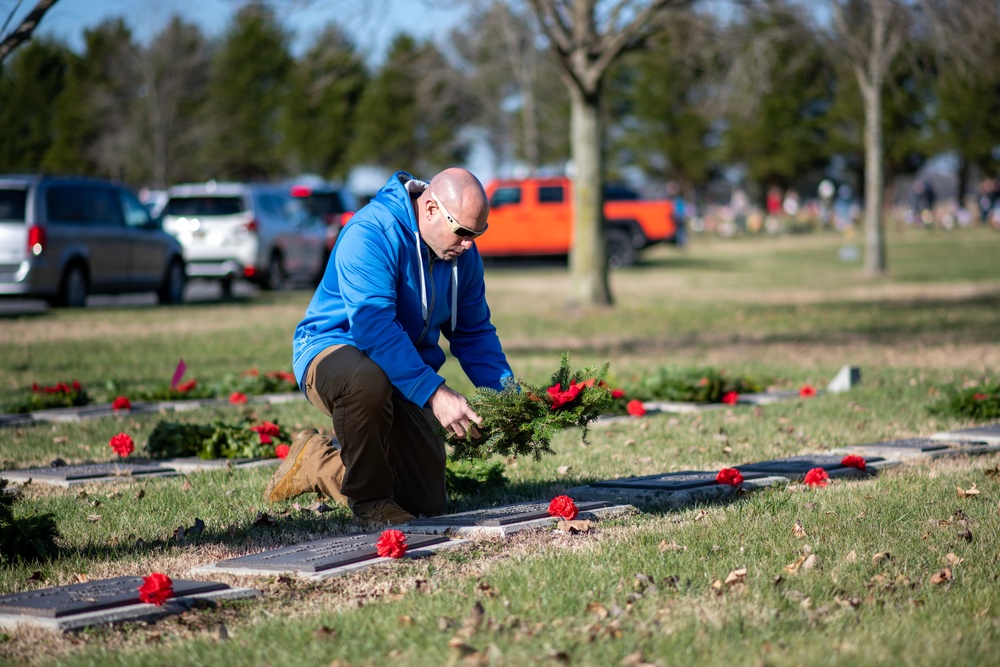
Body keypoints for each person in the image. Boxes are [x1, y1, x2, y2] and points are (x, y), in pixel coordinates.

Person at [264, 168, 513, 525]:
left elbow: (473, 333)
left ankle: (315, 462)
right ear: (430, 209)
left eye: (478, 233)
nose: (470, 244)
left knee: (425, 505)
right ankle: (370, 502)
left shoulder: (463, 255)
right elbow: (373, 328)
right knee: (366, 380)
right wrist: (434, 393)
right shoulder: (370, 233)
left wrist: (508, 395)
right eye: (463, 231)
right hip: (333, 351)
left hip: (401, 368)